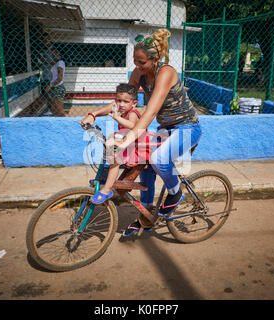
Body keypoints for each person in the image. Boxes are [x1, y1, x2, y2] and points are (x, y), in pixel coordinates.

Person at [82, 29, 201, 237]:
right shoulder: (139, 73)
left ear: (155, 59)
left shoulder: (166, 73)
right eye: (135, 62)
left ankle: (176, 193)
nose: (137, 67)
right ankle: (145, 217)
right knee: (145, 167)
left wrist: (128, 138)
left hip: (187, 127)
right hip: (166, 129)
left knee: (159, 158)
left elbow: (151, 111)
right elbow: (121, 101)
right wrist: (94, 113)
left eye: (142, 62)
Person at [82, 83, 151, 204]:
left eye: (125, 101)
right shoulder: (123, 113)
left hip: (138, 150)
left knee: (114, 160)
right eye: (119, 101)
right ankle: (106, 178)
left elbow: (133, 126)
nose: (122, 104)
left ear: (133, 103)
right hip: (130, 145)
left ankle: (107, 189)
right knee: (110, 150)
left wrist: (116, 118)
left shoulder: (132, 113)